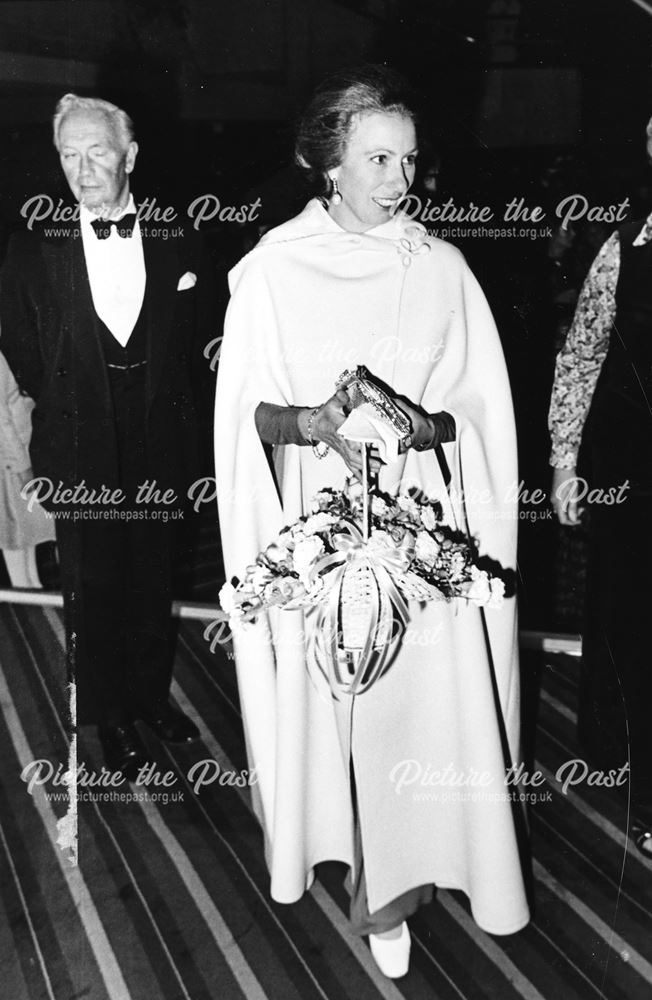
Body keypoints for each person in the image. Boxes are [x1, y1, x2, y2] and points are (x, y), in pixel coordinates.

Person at [215, 66, 530, 978]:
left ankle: (403, 881)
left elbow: (477, 414)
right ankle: (362, 870)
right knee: (342, 713)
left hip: (420, 539)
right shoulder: (271, 270)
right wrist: (312, 425)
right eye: (378, 157)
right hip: (316, 541)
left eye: (408, 158)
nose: (399, 178)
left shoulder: (442, 268)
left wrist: (421, 427)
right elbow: (249, 419)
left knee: (416, 719)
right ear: (329, 164)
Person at [0, 94, 215, 778]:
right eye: (70, 155)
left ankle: (149, 698)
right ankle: (109, 715)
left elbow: (200, 334)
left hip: (158, 438)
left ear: (130, 156)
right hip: (78, 435)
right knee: (94, 586)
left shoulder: (180, 236)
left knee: (152, 577)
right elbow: (22, 344)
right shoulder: (33, 245)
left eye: (97, 153)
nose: (83, 170)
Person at [549, 118, 652, 858]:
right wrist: (564, 460)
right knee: (636, 624)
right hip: (633, 467)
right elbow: (582, 350)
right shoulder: (627, 240)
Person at [0, 350, 55, 587]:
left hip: (18, 456)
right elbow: (2, 421)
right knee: (15, 542)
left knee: (25, 543)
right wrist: (22, 467)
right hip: (11, 464)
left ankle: (35, 603)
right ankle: (29, 612)